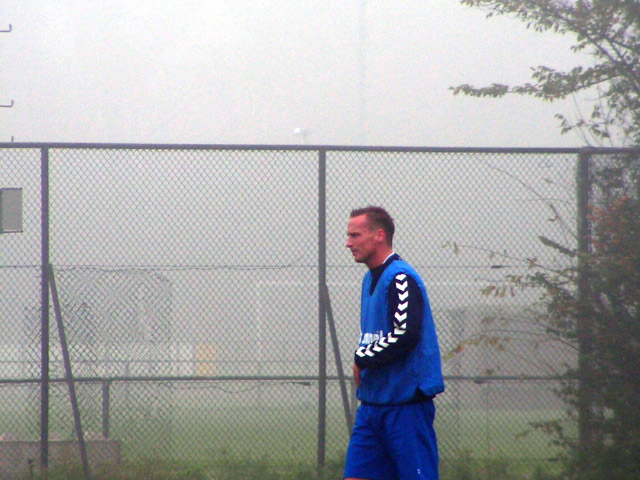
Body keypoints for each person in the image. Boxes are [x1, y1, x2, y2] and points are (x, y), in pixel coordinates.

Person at [344, 206, 445, 480]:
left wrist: (361, 358)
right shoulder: (368, 280)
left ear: (379, 235)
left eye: (355, 235)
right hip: (372, 407)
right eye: (348, 235)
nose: (348, 243)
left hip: (405, 407)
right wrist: (362, 356)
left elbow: (406, 334)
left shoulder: (400, 277)